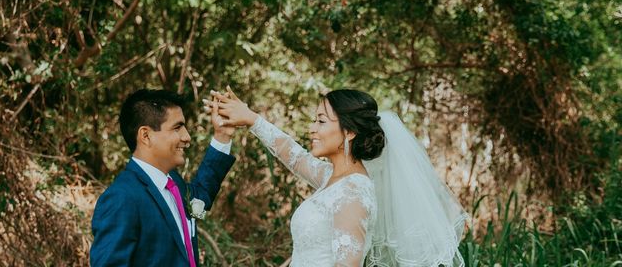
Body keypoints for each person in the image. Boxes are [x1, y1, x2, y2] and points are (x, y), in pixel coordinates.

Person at [207, 87, 468, 267]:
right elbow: (293, 155)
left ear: (349, 132)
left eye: (321, 121)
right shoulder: (332, 177)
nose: (312, 129)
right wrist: (251, 119)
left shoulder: (353, 193)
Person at [90, 89, 236, 267]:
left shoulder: (174, 184)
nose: (187, 137)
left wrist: (222, 135)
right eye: (177, 127)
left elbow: (202, 193)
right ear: (146, 135)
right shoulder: (122, 198)